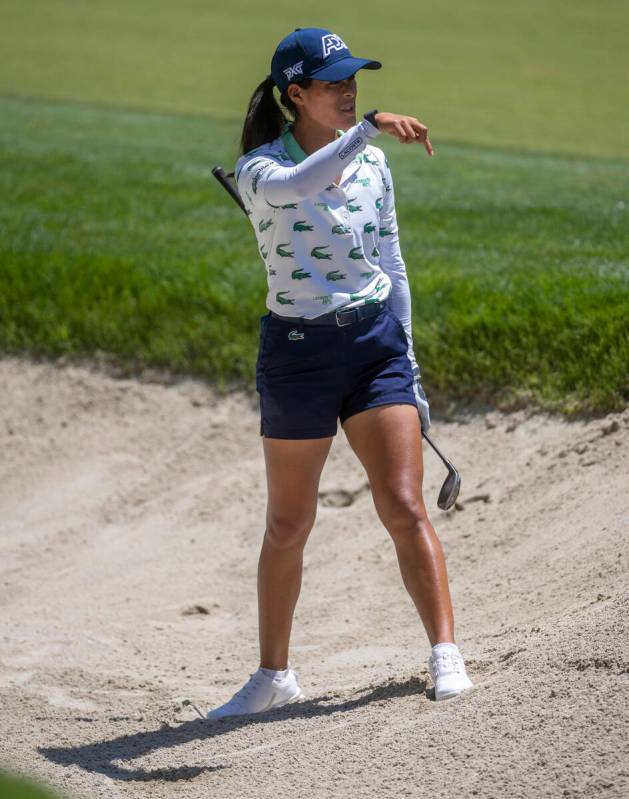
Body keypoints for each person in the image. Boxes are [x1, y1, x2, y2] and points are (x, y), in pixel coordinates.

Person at [206, 27, 473, 721]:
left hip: (374, 344)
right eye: (333, 82)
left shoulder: (373, 165)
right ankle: (273, 674)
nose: (349, 91)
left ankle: (444, 650)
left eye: (352, 79)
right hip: (296, 354)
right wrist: (369, 130)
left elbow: (392, 263)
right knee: (289, 521)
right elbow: (303, 182)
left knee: (404, 504)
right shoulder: (260, 170)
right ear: (296, 94)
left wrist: (407, 361)